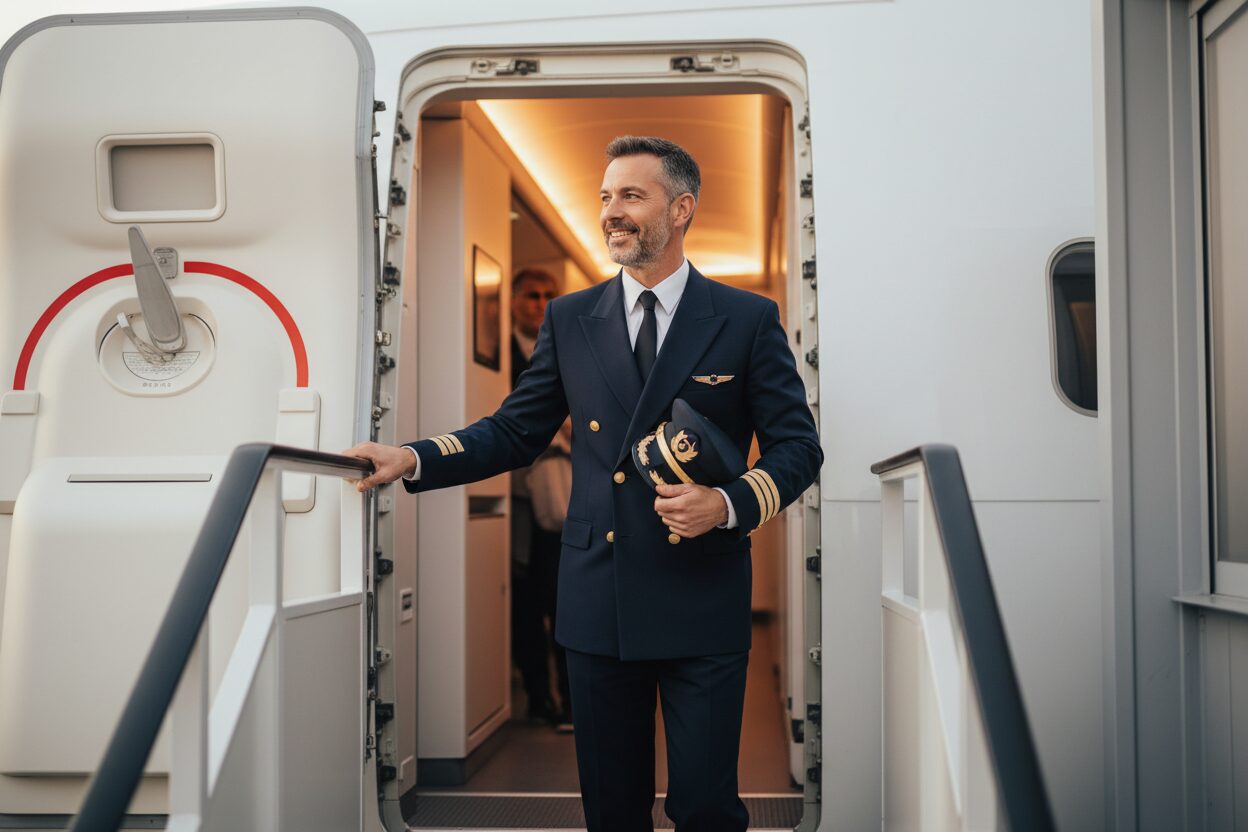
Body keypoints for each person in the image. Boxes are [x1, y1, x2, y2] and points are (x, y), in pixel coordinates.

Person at [345, 135, 822, 832]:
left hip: (703, 597)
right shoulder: (570, 319)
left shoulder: (745, 319)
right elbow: (515, 430)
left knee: (707, 808)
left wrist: (726, 503)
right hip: (599, 596)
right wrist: (414, 459)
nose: (611, 211)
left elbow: (797, 448)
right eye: (604, 196)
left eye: (631, 195)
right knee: (612, 807)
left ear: (681, 208)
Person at [508, 267, 573, 731]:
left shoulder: (566, 347)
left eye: (549, 295)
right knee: (525, 603)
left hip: (559, 493)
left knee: (563, 598)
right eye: (532, 295)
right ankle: (538, 697)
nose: (540, 303)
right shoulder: (502, 356)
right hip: (514, 495)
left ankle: (570, 702)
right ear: (513, 300)